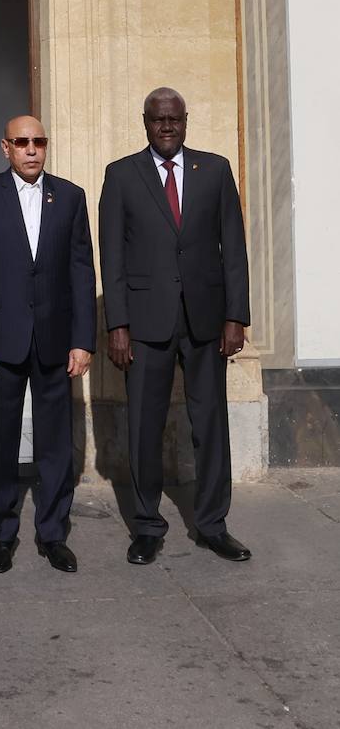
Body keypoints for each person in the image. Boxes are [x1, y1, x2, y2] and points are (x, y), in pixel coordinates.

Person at [99, 87, 252, 564]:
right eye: (157, 120)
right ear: (144, 122)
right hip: (145, 323)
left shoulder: (216, 170)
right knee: (145, 426)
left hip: (206, 320)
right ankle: (146, 526)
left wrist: (236, 316)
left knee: (210, 424)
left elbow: (234, 248)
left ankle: (212, 524)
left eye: (174, 120)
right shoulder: (121, 175)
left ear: (186, 120)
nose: (166, 128)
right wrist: (117, 325)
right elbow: (113, 257)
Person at [0, 116, 96, 575]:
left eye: (39, 141)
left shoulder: (71, 197)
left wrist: (83, 340)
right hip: (0, 341)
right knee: (1, 441)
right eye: (22, 142)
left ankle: (53, 533)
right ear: (6, 148)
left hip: (56, 340)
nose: (32, 150)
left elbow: (81, 272)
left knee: (56, 443)